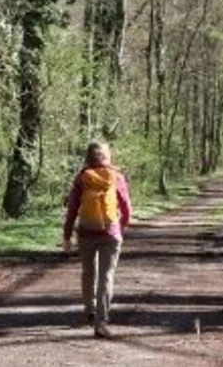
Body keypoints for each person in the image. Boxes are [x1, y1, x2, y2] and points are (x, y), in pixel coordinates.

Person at [62, 141, 132, 338]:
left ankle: (89, 311)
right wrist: (120, 227)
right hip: (111, 233)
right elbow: (126, 208)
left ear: (88, 158)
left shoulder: (82, 178)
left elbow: (72, 210)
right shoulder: (116, 177)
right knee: (106, 277)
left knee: (88, 273)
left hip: (86, 233)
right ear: (107, 157)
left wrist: (67, 236)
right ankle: (101, 323)